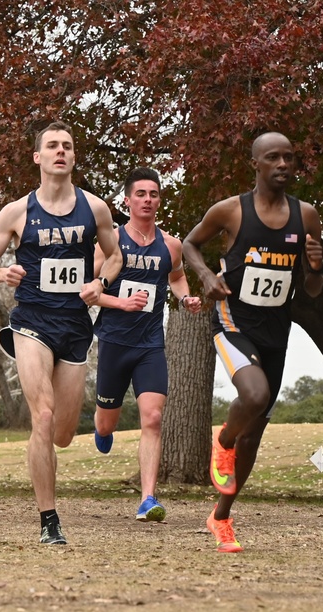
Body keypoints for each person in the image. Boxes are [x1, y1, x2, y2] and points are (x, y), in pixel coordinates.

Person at [0, 120, 122, 545]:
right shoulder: (17, 212)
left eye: (67, 146)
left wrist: (102, 284)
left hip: (75, 327)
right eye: (52, 146)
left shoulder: (95, 209)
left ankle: (62, 450)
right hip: (31, 322)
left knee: (62, 434)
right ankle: (49, 520)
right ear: (37, 157)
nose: (60, 152)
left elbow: (114, 258)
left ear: (74, 158)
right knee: (42, 415)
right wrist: (3, 273)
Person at [182, 132, 323, 552]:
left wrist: (315, 268)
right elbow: (190, 244)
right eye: (273, 157)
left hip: (276, 330)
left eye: (290, 157)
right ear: (256, 164)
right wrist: (207, 276)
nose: (283, 164)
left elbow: (313, 289)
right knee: (254, 394)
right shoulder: (231, 211)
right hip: (233, 319)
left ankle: (221, 517)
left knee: (254, 437)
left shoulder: (308, 216)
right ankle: (222, 441)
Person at [91, 167, 203, 522]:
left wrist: (184, 299)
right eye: (140, 194)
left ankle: (148, 499)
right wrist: (121, 303)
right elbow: (89, 294)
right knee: (107, 424)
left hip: (150, 344)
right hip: (113, 342)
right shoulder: (108, 243)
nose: (148, 200)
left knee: (153, 418)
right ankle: (101, 427)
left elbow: (177, 276)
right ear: (127, 200)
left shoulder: (170, 245)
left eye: (153, 194)